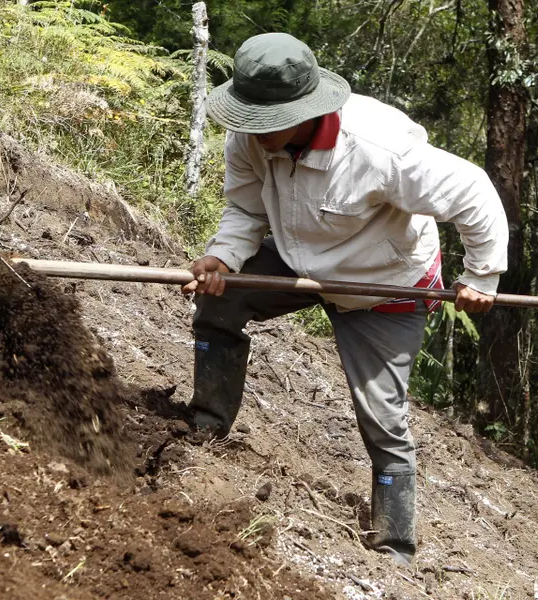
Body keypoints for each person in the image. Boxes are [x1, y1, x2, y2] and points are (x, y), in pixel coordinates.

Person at [181, 33, 508, 565]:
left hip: (383, 281)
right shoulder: (248, 135)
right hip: (297, 256)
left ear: (305, 110)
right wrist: (222, 259)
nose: (251, 130)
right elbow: (245, 211)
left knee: (382, 412)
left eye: (266, 120)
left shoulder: (378, 149)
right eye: (247, 117)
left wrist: (482, 277)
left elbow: (474, 192)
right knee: (221, 301)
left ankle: (395, 541)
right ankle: (206, 426)